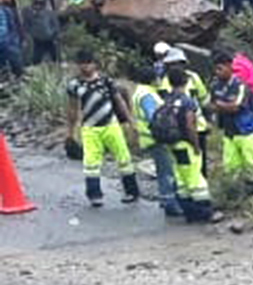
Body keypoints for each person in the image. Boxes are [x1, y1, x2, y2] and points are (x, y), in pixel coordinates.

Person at [62, 52, 142, 207]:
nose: (85, 67)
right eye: (82, 63)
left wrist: (131, 121)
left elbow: (119, 101)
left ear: (95, 64)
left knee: (124, 159)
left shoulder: (106, 81)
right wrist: (70, 132)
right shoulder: (74, 85)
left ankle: (132, 191)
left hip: (111, 125)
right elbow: (72, 109)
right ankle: (94, 195)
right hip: (90, 128)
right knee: (91, 163)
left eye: (88, 63)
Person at [147, 58, 212, 222]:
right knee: (195, 179)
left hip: (172, 144)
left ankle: (188, 212)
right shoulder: (187, 101)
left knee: (181, 178)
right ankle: (204, 213)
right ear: (186, 81)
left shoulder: (166, 100)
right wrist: (196, 145)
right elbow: (190, 126)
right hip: (185, 144)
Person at [129, 72, 184, 216]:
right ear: (152, 79)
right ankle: (170, 203)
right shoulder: (147, 95)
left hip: (148, 138)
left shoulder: (141, 92)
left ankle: (165, 199)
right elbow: (154, 116)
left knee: (163, 170)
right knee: (167, 171)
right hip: (156, 138)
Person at [207, 62, 253, 197]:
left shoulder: (240, 86)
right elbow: (210, 106)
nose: (217, 72)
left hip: (245, 129)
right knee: (230, 163)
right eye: (216, 69)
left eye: (220, 68)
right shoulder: (215, 86)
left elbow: (236, 107)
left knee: (250, 162)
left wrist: (220, 105)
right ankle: (233, 192)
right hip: (228, 131)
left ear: (229, 67)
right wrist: (223, 106)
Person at [26, 0, 59, 65]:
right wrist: (31, 34)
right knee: (36, 58)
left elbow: (56, 25)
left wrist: (55, 34)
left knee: (55, 57)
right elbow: (27, 25)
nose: (38, 6)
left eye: (40, 4)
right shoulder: (30, 13)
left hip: (50, 38)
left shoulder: (50, 13)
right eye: (36, 3)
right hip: (37, 40)